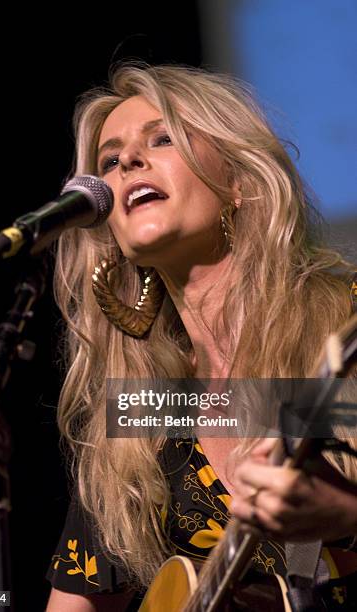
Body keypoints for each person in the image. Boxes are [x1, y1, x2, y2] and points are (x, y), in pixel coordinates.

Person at [46, 63, 357, 611]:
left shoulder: (348, 321)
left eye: (162, 138)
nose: (127, 164)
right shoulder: (145, 411)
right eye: (109, 162)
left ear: (238, 182)